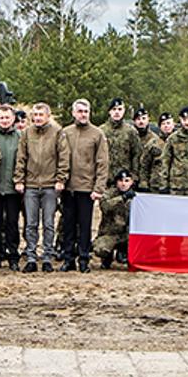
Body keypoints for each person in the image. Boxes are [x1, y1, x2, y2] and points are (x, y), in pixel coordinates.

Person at [59, 99, 110, 273]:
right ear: (73, 113)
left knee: (85, 225)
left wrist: (98, 188)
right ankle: (68, 259)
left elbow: (102, 163)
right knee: (68, 225)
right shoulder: (65, 133)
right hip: (68, 187)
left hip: (86, 188)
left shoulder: (97, 134)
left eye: (86, 111)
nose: (83, 114)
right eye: (80, 111)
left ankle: (84, 259)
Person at [15, 102, 66, 272]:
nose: (37, 118)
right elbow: (21, 158)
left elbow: (63, 157)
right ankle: (31, 256)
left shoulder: (57, 133)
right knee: (30, 223)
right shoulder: (26, 133)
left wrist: (61, 179)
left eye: (40, 115)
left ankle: (47, 257)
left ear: (48, 116)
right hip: (30, 185)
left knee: (48, 223)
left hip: (50, 185)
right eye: (35, 115)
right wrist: (19, 179)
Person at [0, 106, 22, 270]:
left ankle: (13, 256)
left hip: (13, 188)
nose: (5, 120)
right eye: (2, 118)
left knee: (12, 223)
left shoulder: (21, 137)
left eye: (8, 117)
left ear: (13, 119)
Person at [92, 169, 136, 269]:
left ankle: (124, 254)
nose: (123, 184)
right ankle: (107, 258)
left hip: (127, 235)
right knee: (100, 249)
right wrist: (122, 198)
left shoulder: (136, 196)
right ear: (116, 182)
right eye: (120, 181)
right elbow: (105, 207)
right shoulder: (109, 194)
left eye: (126, 181)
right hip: (110, 234)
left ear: (131, 182)